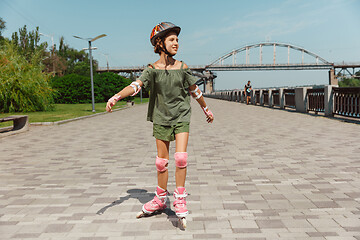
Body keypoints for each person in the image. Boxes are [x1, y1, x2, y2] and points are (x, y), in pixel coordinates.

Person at [106, 22, 214, 227]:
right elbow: (135, 86)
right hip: (161, 117)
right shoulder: (151, 70)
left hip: (181, 116)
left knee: (181, 158)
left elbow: (194, 91)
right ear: (160, 42)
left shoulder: (182, 67)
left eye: (177, 40)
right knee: (161, 163)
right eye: (172, 39)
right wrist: (116, 97)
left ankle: (180, 199)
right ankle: (160, 199)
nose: (176, 43)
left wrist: (206, 109)